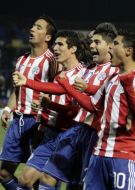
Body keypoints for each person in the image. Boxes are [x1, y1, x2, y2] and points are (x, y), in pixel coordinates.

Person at [56, 30, 135, 190]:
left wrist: (127, 85)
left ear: (128, 51)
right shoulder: (111, 78)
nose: (110, 49)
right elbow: (92, 105)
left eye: (115, 44)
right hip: (99, 152)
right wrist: (66, 86)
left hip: (123, 154)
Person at [36, 22, 119, 190]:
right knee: (48, 177)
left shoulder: (114, 71)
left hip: (96, 134)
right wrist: (29, 83)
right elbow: (60, 88)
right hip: (77, 130)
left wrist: (80, 87)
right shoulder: (88, 69)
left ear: (110, 46)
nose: (91, 45)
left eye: (96, 42)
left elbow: (97, 100)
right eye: (91, 41)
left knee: (83, 184)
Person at [12, 30, 88, 189]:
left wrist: (49, 105)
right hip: (50, 134)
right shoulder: (59, 73)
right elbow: (54, 91)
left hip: (69, 136)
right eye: (55, 44)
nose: (55, 48)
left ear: (73, 49)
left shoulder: (83, 74)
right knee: (25, 180)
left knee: (49, 180)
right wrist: (42, 113)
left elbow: (75, 111)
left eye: (60, 44)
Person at [0, 15, 58, 190]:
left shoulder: (52, 60)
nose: (32, 29)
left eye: (38, 27)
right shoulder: (21, 60)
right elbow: (17, 91)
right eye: (33, 26)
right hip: (18, 121)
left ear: (48, 37)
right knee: (3, 172)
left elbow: (60, 91)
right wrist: (8, 109)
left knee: (36, 178)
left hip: (38, 123)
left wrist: (47, 111)